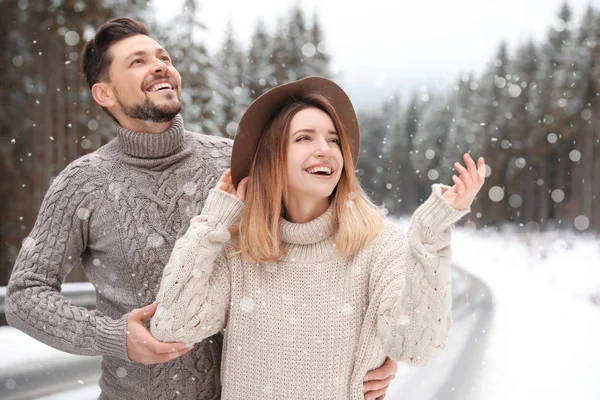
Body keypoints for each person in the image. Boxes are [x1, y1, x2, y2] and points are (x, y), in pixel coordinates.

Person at [5, 18, 396, 400]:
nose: (161, 65)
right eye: (137, 61)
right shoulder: (82, 184)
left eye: (164, 57)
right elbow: (24, 295)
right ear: (104, 94)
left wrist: (380, 349)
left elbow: (322, 251)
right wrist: (112, 336)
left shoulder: (232, 163)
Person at [151, 76, 486, 399]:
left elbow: (416, 347)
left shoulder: (380, 246)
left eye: (334, 140)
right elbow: (172, 325)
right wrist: (212, 220)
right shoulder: (240, 250)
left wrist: (429, 235)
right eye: (304, 138)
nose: (325, 149)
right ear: (273, 158)